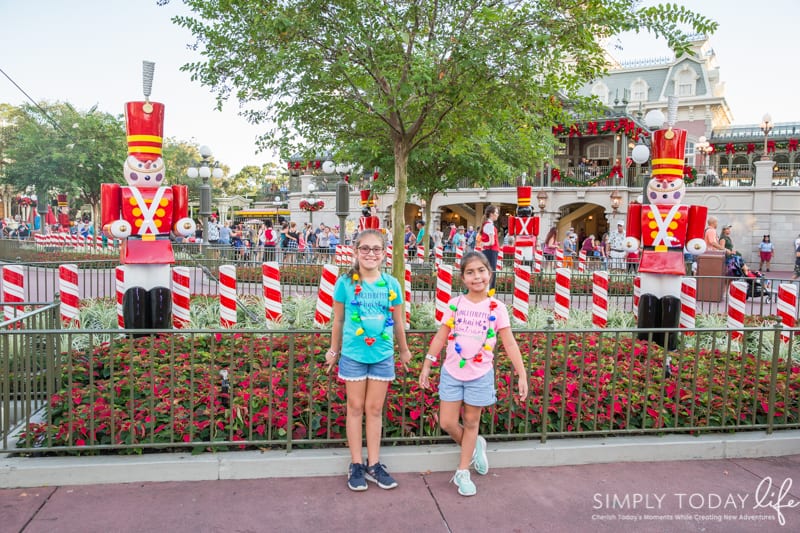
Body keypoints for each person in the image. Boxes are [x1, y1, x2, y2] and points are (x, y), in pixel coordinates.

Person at [418, 251, 528, 497]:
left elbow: (509, 343)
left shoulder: (497, 308)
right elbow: (440, 336)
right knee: (447, 421)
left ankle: (462, 472)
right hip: (452, 372)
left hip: (480, 374)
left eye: (481, 270)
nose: (476, 276)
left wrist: (522, 374)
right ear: (463, 277)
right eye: (470, 272)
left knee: (471, 422)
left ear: (490, 273)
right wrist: (427, 363)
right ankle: (476, 444)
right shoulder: (456, 304)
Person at [326, 229, 411, 491]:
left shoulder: (392, 284)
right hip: (353, 353)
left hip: (382, 354)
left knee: (374, 410)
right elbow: (338, 320)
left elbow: (398, 321)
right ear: (355, 251)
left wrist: (404, 350)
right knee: (354, 407)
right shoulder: (345, 283)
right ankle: (356, 464)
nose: (370, 253)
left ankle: (374, 464)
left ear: (384, 253)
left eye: (376, 249)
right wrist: (333, 350)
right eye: (365, 248)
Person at [475, 205, 500, 289]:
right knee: (491, 272)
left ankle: (485, 291)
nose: (497, 214)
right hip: (491, 251)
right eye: (496, 213)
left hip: (489, 251)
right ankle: (490, 293)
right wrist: (484, 244)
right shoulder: (489, 225)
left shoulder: (487, 225)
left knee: (487, 271)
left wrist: (483, 244)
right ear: (491, 214)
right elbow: (491, 242)